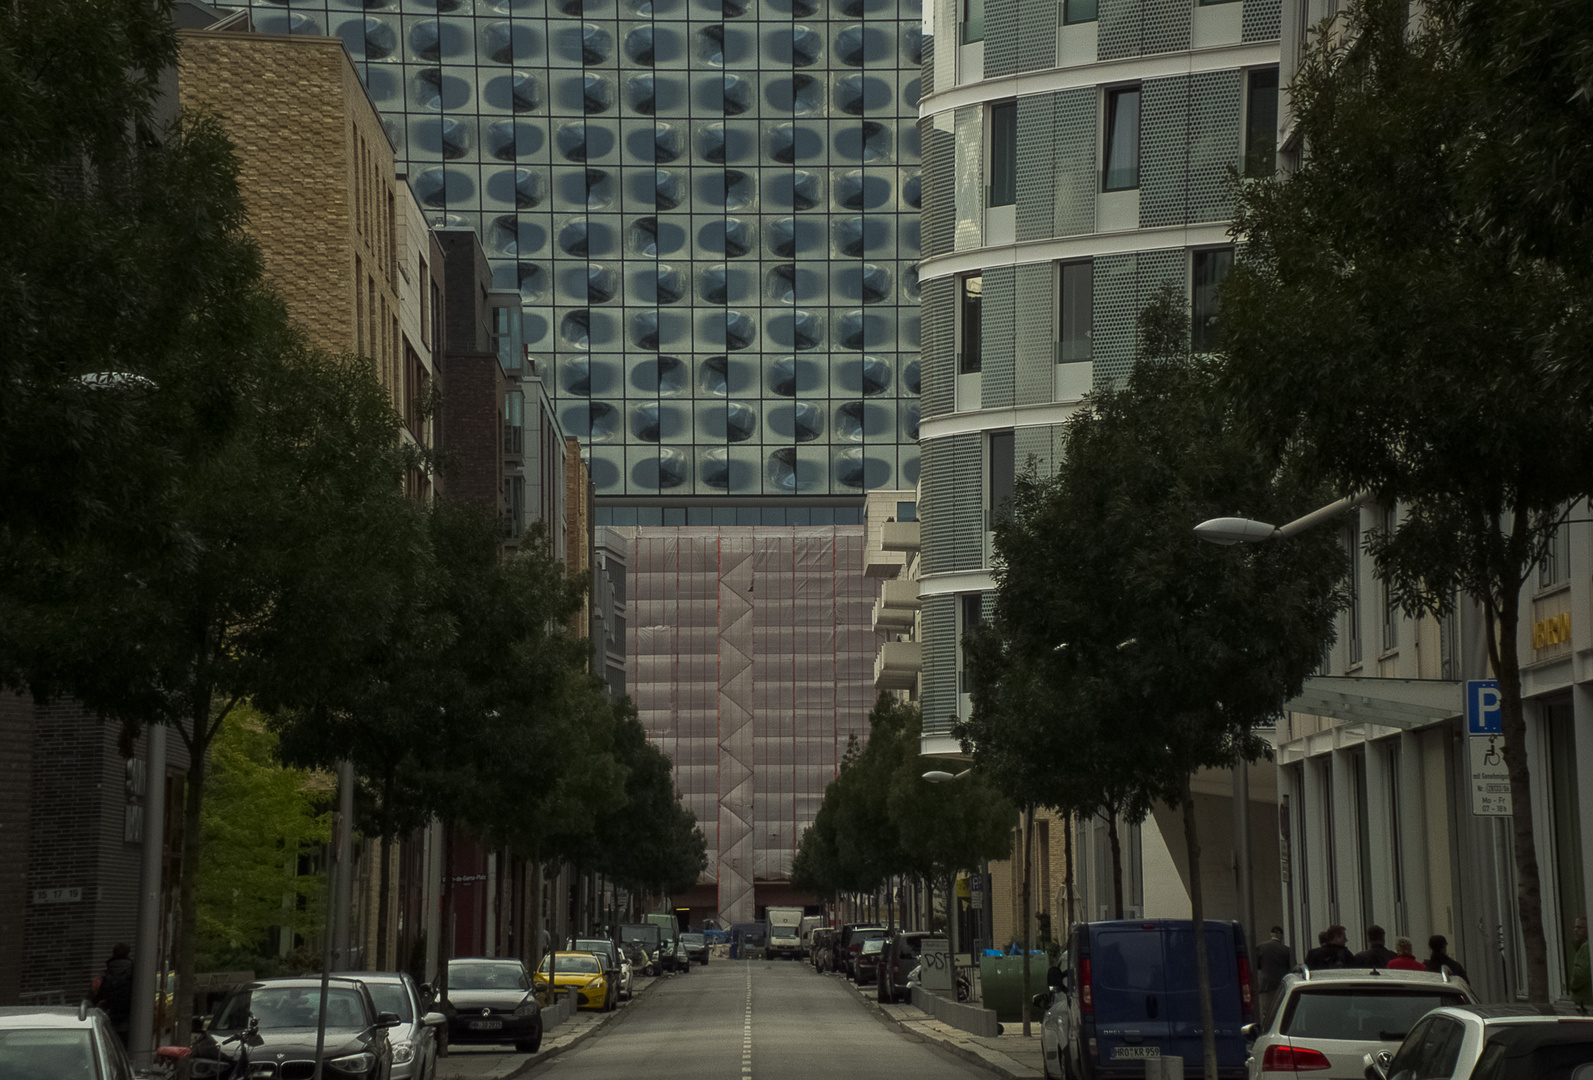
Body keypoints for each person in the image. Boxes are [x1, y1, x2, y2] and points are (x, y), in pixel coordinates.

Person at [93, 943, 134, 1047]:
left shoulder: (107, 972)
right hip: (127, 1013)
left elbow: (99, 994)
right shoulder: (133, 971)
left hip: (110, 1012)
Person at [1253, 926, 1294, 1021]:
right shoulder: (1287, 950)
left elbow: (1256, 965)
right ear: (1282, 937)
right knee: (1281, 1010)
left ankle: (1267, 1029)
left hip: (1266, 984)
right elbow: (1292, 967)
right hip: (1282, 984)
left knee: (1267, 1011)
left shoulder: (1261, 947)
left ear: (1271, 935)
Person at [1569, 916, 1590, 1009]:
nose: (1575, 930)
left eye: (1579, 927)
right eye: (1575, 927)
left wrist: (1572, 986)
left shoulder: (1586, 947)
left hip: (1584, 1000)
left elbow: (1581, 973)